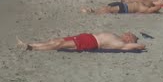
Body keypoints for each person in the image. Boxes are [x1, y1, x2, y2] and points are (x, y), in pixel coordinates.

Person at [18, 31, 146, 52]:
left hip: (90, 42)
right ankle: (31, 44)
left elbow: (140, 46)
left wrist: (137, 44)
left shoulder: (121, 44)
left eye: (130, 34)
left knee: (60, 44)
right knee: (57, 40)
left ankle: (32, 48)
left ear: (129, 39)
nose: (127, 33)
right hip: (86, 36)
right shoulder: (118, 37)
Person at [81, 0, 162, 14]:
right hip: (122, 5)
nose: (150, 2)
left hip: (124, 8)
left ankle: (92, 12)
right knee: (107, 8)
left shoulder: (145, 9)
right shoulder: (143, 3)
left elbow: (158, 7)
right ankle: (93, 11)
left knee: (109, 10)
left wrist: (155, 6)